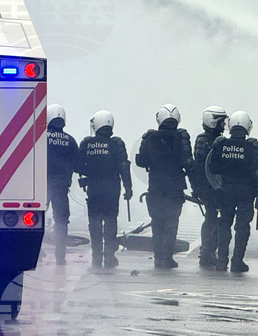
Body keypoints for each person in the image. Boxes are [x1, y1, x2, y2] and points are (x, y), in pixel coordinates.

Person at [137, 104, 194, 269]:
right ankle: (167, 257)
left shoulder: (149, 137)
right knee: (171, 222)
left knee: (157, 222)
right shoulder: (182, 137)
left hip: (155, 185)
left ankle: (158, 257)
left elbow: (141, 161)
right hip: (175, 186)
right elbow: (188, 162)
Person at [206, 110, 258, 273]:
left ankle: (221, 261)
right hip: (246, 192)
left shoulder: (221, 144)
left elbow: (212, 168)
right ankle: (237, 262)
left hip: (226, 190)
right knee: (242, 227)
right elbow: (257, 173)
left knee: (224, 224)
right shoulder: (252, 147)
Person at [74, 110, 132, 268]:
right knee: (111, 222)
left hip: (94, 189)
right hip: (112, 189)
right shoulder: (117, 143)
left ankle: (96, 257)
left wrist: (91, 171)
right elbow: (124, 167)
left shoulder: (87, 143)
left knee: (94, 223)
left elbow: (77, 165)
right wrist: (128, 188)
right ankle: (109, 257)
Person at [192, 106, 227, 269]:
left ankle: (209, 250)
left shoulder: (219, 140)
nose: (224, 125)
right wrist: (200, 188)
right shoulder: (203, 140)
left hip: (215, 185)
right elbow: (200, 166)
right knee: (211, 217)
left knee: (213, 218)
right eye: (221, 122)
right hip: (209, 186)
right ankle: (207, 251)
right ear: (213, 122)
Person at [45, 104, 78, 265]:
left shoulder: (40, 138)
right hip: (61, 188)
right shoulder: (70, 141)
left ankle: (35, 252)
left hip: (41, 187)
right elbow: (77, 164)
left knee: (33, 219)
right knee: (61, 220)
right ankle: (60, 256)